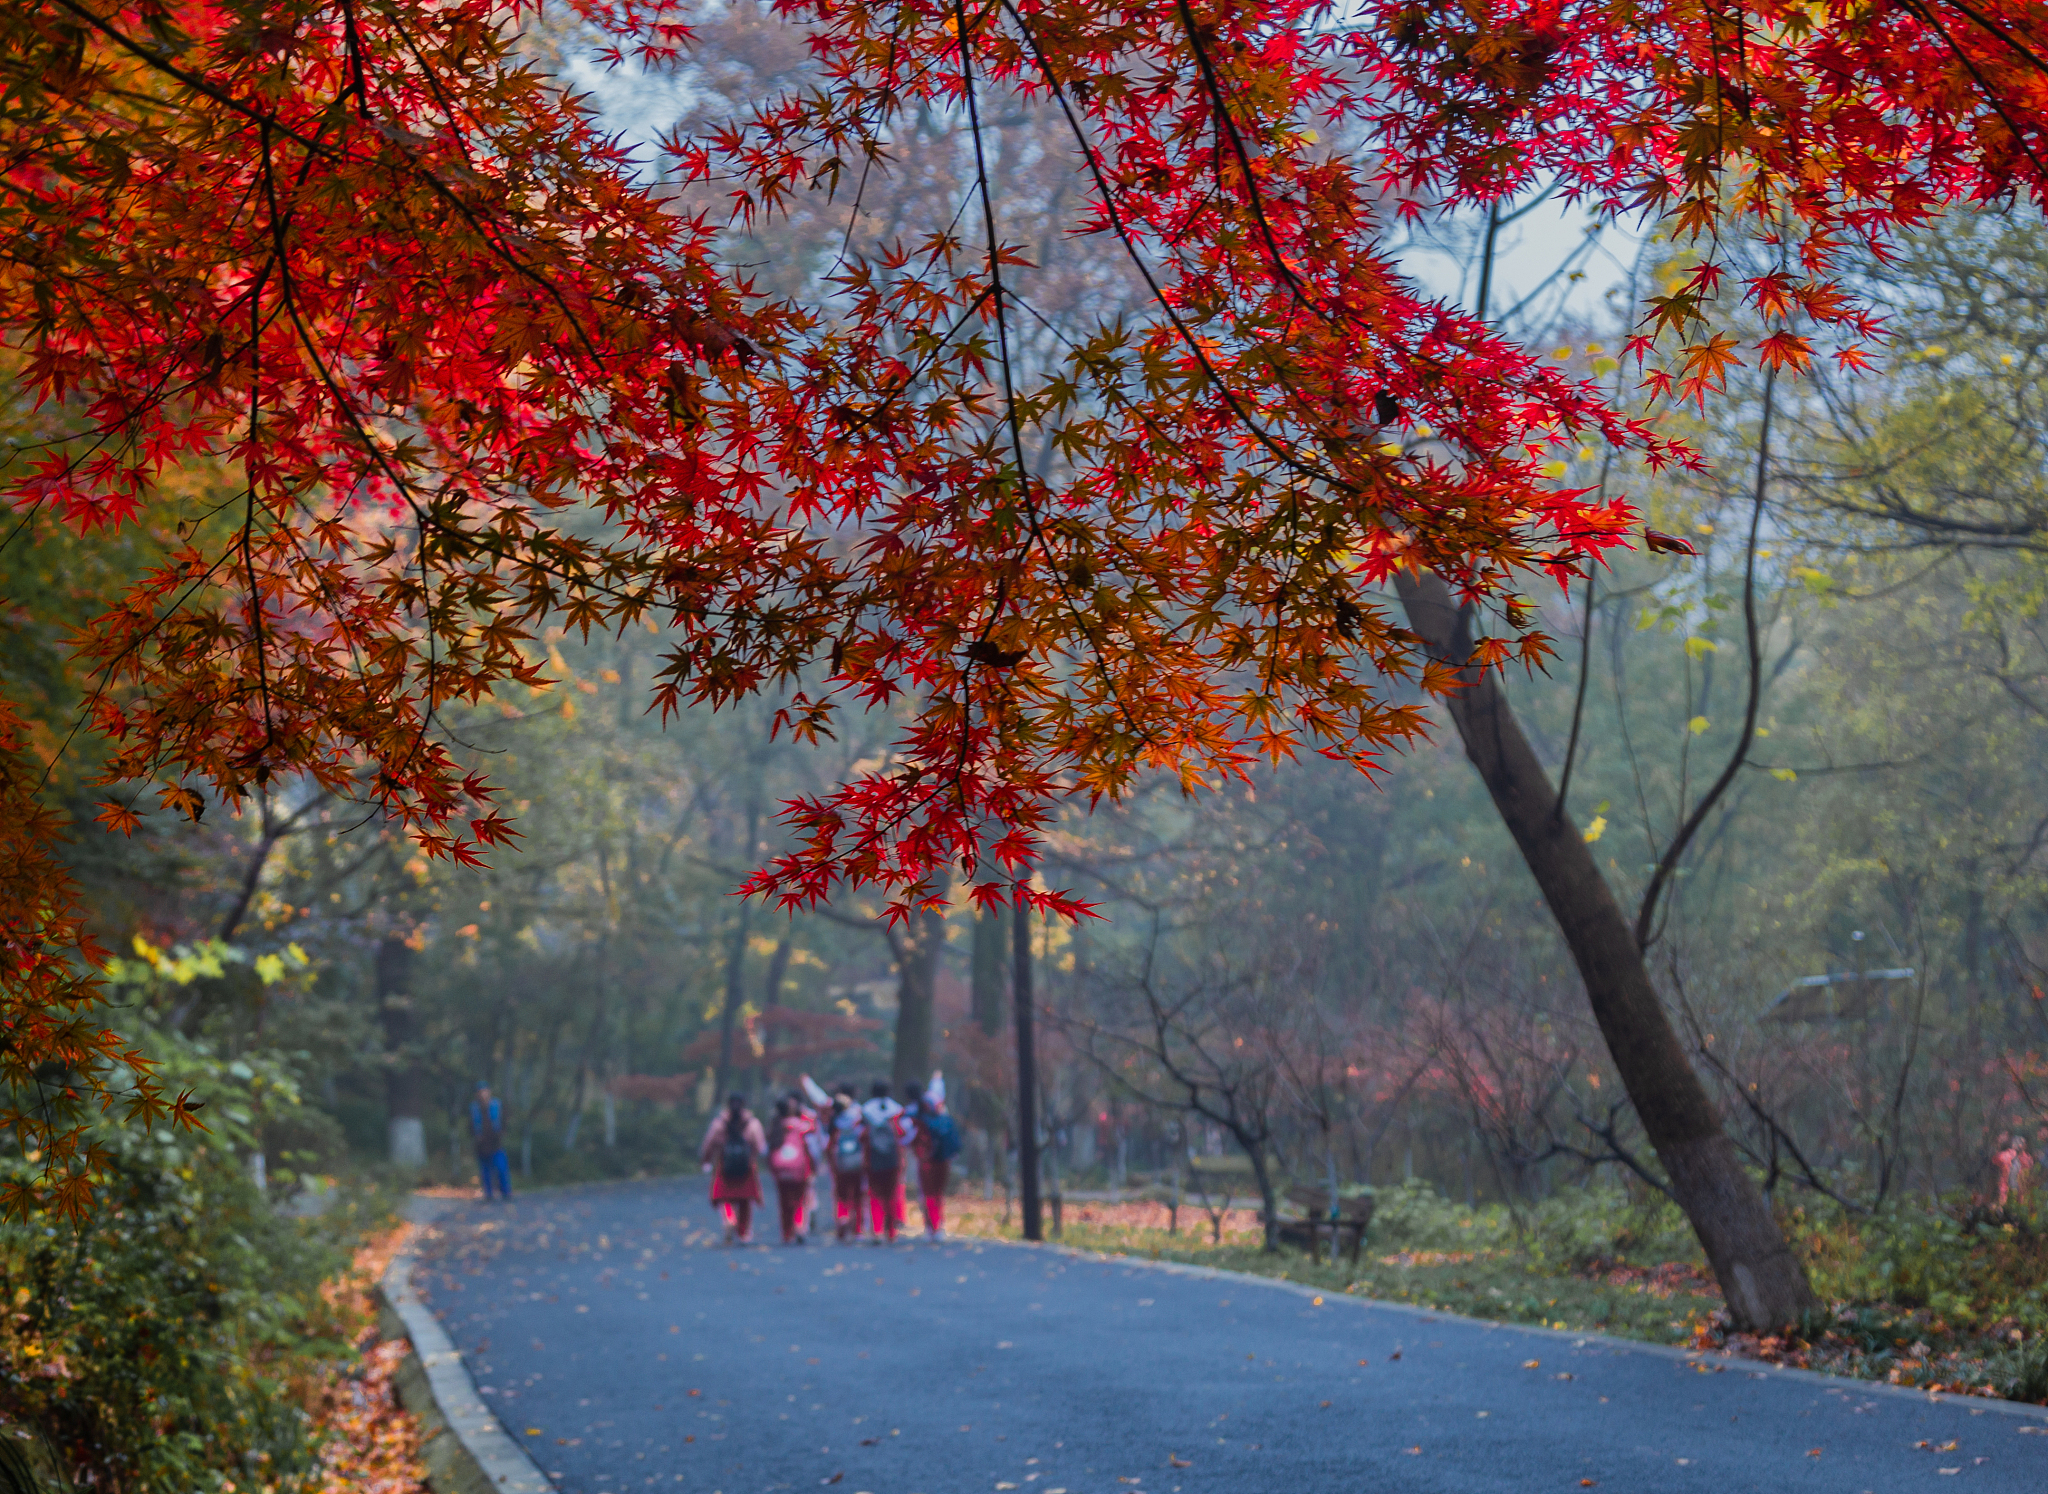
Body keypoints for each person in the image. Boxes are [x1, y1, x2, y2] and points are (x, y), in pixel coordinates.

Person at [700, 1093, 767, 1244]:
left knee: (727, 1198)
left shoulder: (719, 1123)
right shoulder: (752, 1123)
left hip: (726, 1165)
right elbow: (760, 1146)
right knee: (745, 1202)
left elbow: (709, 1143)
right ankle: (743, 1233)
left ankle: (729, 1221)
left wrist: (706, 1160)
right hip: (746, 1166)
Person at [906, 1072, 960, 1239]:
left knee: (928, 1192)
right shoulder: (936, 1103)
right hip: (943, 1156)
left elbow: (908, 1135)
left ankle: (931, 1227)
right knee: (938, 1192)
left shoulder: (913, 1112)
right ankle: (940, 1226)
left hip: (926, 1158)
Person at [767, 1096, 817, 1244]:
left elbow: (767, 1148)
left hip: (781, 1170)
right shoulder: (800, 1125)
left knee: (784, 1201)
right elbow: (812, 1133)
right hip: (800, 1169)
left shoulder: (775, 1126)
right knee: (800, 1200)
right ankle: (800, 1227)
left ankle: (787, 1233)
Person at [862, 1080, 906, 1242]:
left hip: (873, 1157)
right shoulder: (896, 1109)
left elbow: (862, 1135)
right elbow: (902, 1133)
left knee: (875, 1194)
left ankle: (877, 1230)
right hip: (893, 1158)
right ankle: (891, 1231)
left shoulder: (866, 1110)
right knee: (891, 1193)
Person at [829, 1085, 867, 1242]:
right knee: (858, 1195)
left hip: (840, 1163)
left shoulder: (835, 1122)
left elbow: (829, 1144)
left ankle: (842, 1222)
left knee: (842, 1195)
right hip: (857, 1161)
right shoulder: (858, 1118)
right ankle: (858, 1229)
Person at [470, 1083, 511, 1201]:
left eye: (485, 1091)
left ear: (489, 1092)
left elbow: (504, 1121)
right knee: (485, 1171)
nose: (483, 1094)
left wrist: (502, 1133)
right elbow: (470, 1125)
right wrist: (475, 1136)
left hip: (496, 1143)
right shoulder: (474, 1109)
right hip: (481, 1144)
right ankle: (489, 1194)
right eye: (480, 1092)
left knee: (501, 1168)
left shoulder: (497, 1105)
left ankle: (506, 1192)